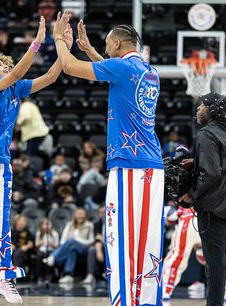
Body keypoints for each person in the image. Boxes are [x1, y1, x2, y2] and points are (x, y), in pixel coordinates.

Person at [0, 16, 72, 305]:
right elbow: (19, 71)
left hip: (1, 164)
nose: (6, 66)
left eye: (7, 63)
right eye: (0, 62)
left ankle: (3, 277)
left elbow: (49, 78)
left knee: (1, 224)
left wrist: (63, 49)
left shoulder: (15, 89)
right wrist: (37, 41)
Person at [54, 12, 166, 304]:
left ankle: (124, 301)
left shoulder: (121, 67)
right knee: (147, 242)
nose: (104, 49)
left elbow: (68, 66)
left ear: (117, 43)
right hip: (151, 164)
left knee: (121, 240)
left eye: (106, 45)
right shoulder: (147, 70)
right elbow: (113, 72)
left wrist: (59, 40)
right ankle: (145, 300)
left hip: (130, 165)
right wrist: (90, 50)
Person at [179, 92, 226, 306]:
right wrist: (197, 160)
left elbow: (211, 173)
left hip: (213, 205)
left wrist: (191, 195)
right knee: (221, 261)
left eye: (202, 106)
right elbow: (221, 166)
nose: (198, 109)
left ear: (213, 110)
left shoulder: (207, 134)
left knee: (215, 265)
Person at [162, 207, 226, 302]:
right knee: (220, 257)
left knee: (177, 257)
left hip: (188, 220)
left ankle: (165, 289)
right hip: (210, 221)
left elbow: (172, 217)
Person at [43, 208, 94, 284]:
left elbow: (91, 241)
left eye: (82, 214)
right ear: (75, 215)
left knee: (72, 241)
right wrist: (72, 242)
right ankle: (68, 275)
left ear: (85, 215)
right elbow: (63, 241)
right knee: (71, 250)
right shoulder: (69, 225)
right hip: (72, 248)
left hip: (84, 249)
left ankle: (53, 257)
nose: (80, 216)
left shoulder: (89, 225)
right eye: (78, 214)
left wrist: (77, 240)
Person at [83, 204, 106, 284]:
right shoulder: (97, 224)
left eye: (104, 212)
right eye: (101, 212)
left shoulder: (114, 224)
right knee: (92, 250)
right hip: (101, 246)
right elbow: (97, 239)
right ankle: (90, 275)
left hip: (113, 247)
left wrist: (103, 240)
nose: (103, 214)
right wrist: (99, 251)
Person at [34, 218, 59, 284]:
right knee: (39, 256)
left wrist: (52, 244)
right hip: (42, 250)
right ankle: (40, 276)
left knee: (50, 257)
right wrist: (40, 243)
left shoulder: (54, 234)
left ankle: (49, 275)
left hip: (51, 250)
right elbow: (36, 245)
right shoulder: (39, 233)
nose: (46, 226)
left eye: (47, 224)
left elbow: (57, 246)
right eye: (44, 224)